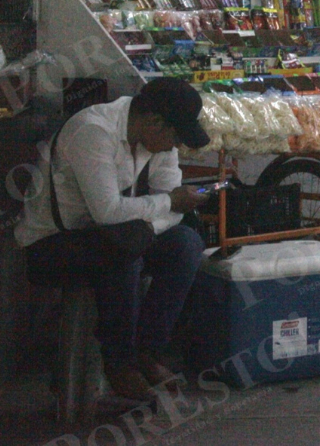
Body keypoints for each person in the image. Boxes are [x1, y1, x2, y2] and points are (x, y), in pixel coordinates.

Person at [15, 78, 213, 401]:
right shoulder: (94, 132)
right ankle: (119, 363)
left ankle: (147, 352)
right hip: (53, 244)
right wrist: (165, 206)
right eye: (175, 137)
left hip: (116, 235)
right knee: (123, 252)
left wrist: (152, 224)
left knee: (186, 245)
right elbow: (108, 211)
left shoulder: (156, 142)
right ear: (154, 122)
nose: (175, 147)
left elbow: (173, 207)